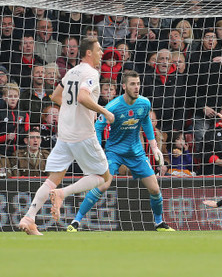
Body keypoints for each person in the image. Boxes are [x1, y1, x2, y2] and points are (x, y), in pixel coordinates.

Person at [18, 38, 113, 236]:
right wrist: (104, 112)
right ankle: (63, 193)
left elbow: (55, 96)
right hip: (82, 134)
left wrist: (74, 109)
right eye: (99, 50)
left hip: (64, 133)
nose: (101, 53)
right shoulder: (91, 73)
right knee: (104, 177)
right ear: (89, 53)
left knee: (53, 179)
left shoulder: (72, 71)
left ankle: (29, 217)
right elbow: (83, 97)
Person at [66, 70, 173, 232]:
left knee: (155, 189)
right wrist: (98, 151)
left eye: (138, 84)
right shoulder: (113, 107)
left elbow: (146, 122)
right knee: (102, 185)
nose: (136, 87)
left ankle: (159, 223)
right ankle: (76, 221)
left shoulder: (144, 103)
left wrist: (154, 147)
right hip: (114, 153)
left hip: (136, 153)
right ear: (124, 86)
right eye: (132, 84)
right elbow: (98, 127)